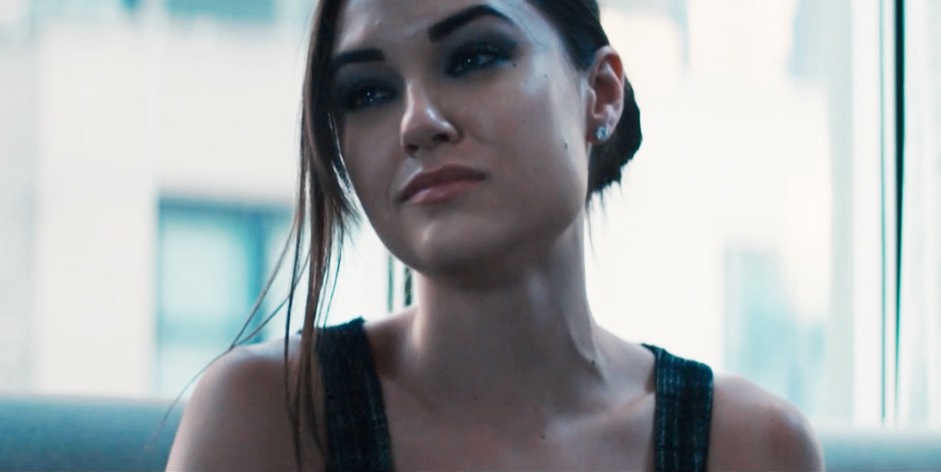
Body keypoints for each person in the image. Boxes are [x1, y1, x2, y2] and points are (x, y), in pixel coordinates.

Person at [168, 0, 823, 470]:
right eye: (367, 92)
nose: (416, 123)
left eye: (473, 57)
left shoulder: (749, 447)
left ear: (600, 93)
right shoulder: (266, 415)